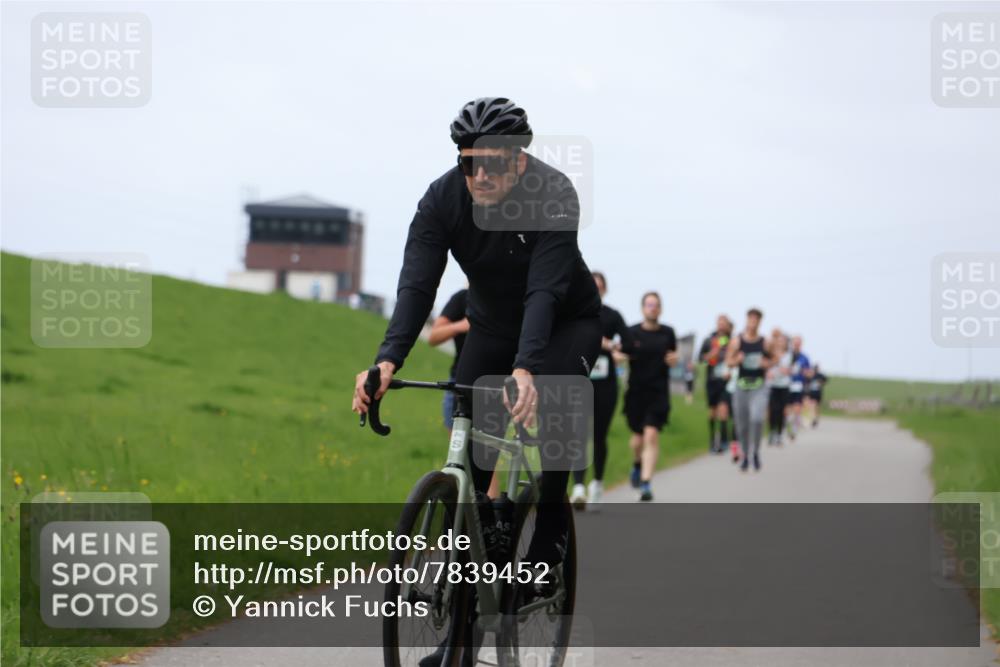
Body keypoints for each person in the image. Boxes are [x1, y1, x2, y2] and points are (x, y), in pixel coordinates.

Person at [352, 95, 601, 572]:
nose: (480, 176)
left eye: (492, 163)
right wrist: (386, 361)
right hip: (491, 327)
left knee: (556, 402)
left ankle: (549, 540)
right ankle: (461, 626)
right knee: (471, 457)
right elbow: (417, 285)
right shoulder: (442, 199)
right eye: (469, 164)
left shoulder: (554, 193)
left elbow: (544, 291)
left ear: (520, 161)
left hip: (566, 323)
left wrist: (526, 368)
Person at [570, 272, 633, 511]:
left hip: (605, 385)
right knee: (577, 433)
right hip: (579, 382)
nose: (595, 290)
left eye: (599, 286)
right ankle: (577, 486)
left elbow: (629, 343)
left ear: (605, 290)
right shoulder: (575, 310)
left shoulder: (612, 316)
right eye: (592, 286)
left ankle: (597, 482)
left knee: (599, 435)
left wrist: (611, 346)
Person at [623, 292, 677, 501]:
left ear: (660, 309)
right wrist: (619, 356)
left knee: (651, 436)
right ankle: (637, 464)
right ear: (643, 308)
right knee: (637, 441)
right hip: (636, 393)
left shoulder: (668, 333)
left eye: (656, 305)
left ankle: (646, 484)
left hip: (658, 393)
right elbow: (623, 352)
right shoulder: (632, 332)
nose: (653, 308)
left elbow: (672, 356)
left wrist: (674, 359)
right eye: (649, 304)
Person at [726, 308, 773, 472]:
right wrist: (736, 360)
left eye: (756, 319)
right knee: (742, 425)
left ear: (760, 322)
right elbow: (728, 362)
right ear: (746, 320)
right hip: (741, 387)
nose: (753, 322)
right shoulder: (737, 341)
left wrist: (766, 364)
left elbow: (774, 359)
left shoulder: (764, 342)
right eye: (750, 319)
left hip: (759, 387)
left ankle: (756, 452)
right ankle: (745, 455)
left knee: (757, 418)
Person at [428, 287, 469, 430]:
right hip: (458, 382)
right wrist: (462, 326)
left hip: (494, 384)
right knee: (456, 446)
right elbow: (433, 337)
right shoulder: (462, 298)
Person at [699, 315, 734, 454]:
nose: (721, 325)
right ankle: (713, 440)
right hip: (712, 380)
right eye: (719, 322)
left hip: (725, 381)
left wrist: (731, 370)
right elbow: (701, 359)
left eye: (724, 323)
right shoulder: (709, 340)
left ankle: (725, 440)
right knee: (712, 412)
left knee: (724, 410)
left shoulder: (732, 341)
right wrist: (712, 353)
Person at [766, 328, 792, 445]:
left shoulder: (788, 355)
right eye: (779, 340)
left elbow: (786, 370)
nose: (781, 342)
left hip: (784, 386)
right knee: (773, 410)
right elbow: (769, 367)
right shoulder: (770, 353)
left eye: (783, 341)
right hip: (772, 385)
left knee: (781, 411)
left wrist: (778, 367)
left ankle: (779, 434)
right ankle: (771, 432)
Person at [787, 335, 811, 441]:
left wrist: (804, 372)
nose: (796, 345)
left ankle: (794, 430)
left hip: (798, 385)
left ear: (801, 344)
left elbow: (809, 373)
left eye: (798, 343)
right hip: (786, 385)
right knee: (787, 410)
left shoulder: (804, 357)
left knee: (797, 409)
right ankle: (786, 428)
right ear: (792, 343)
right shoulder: (787, 355)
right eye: (795, 343)